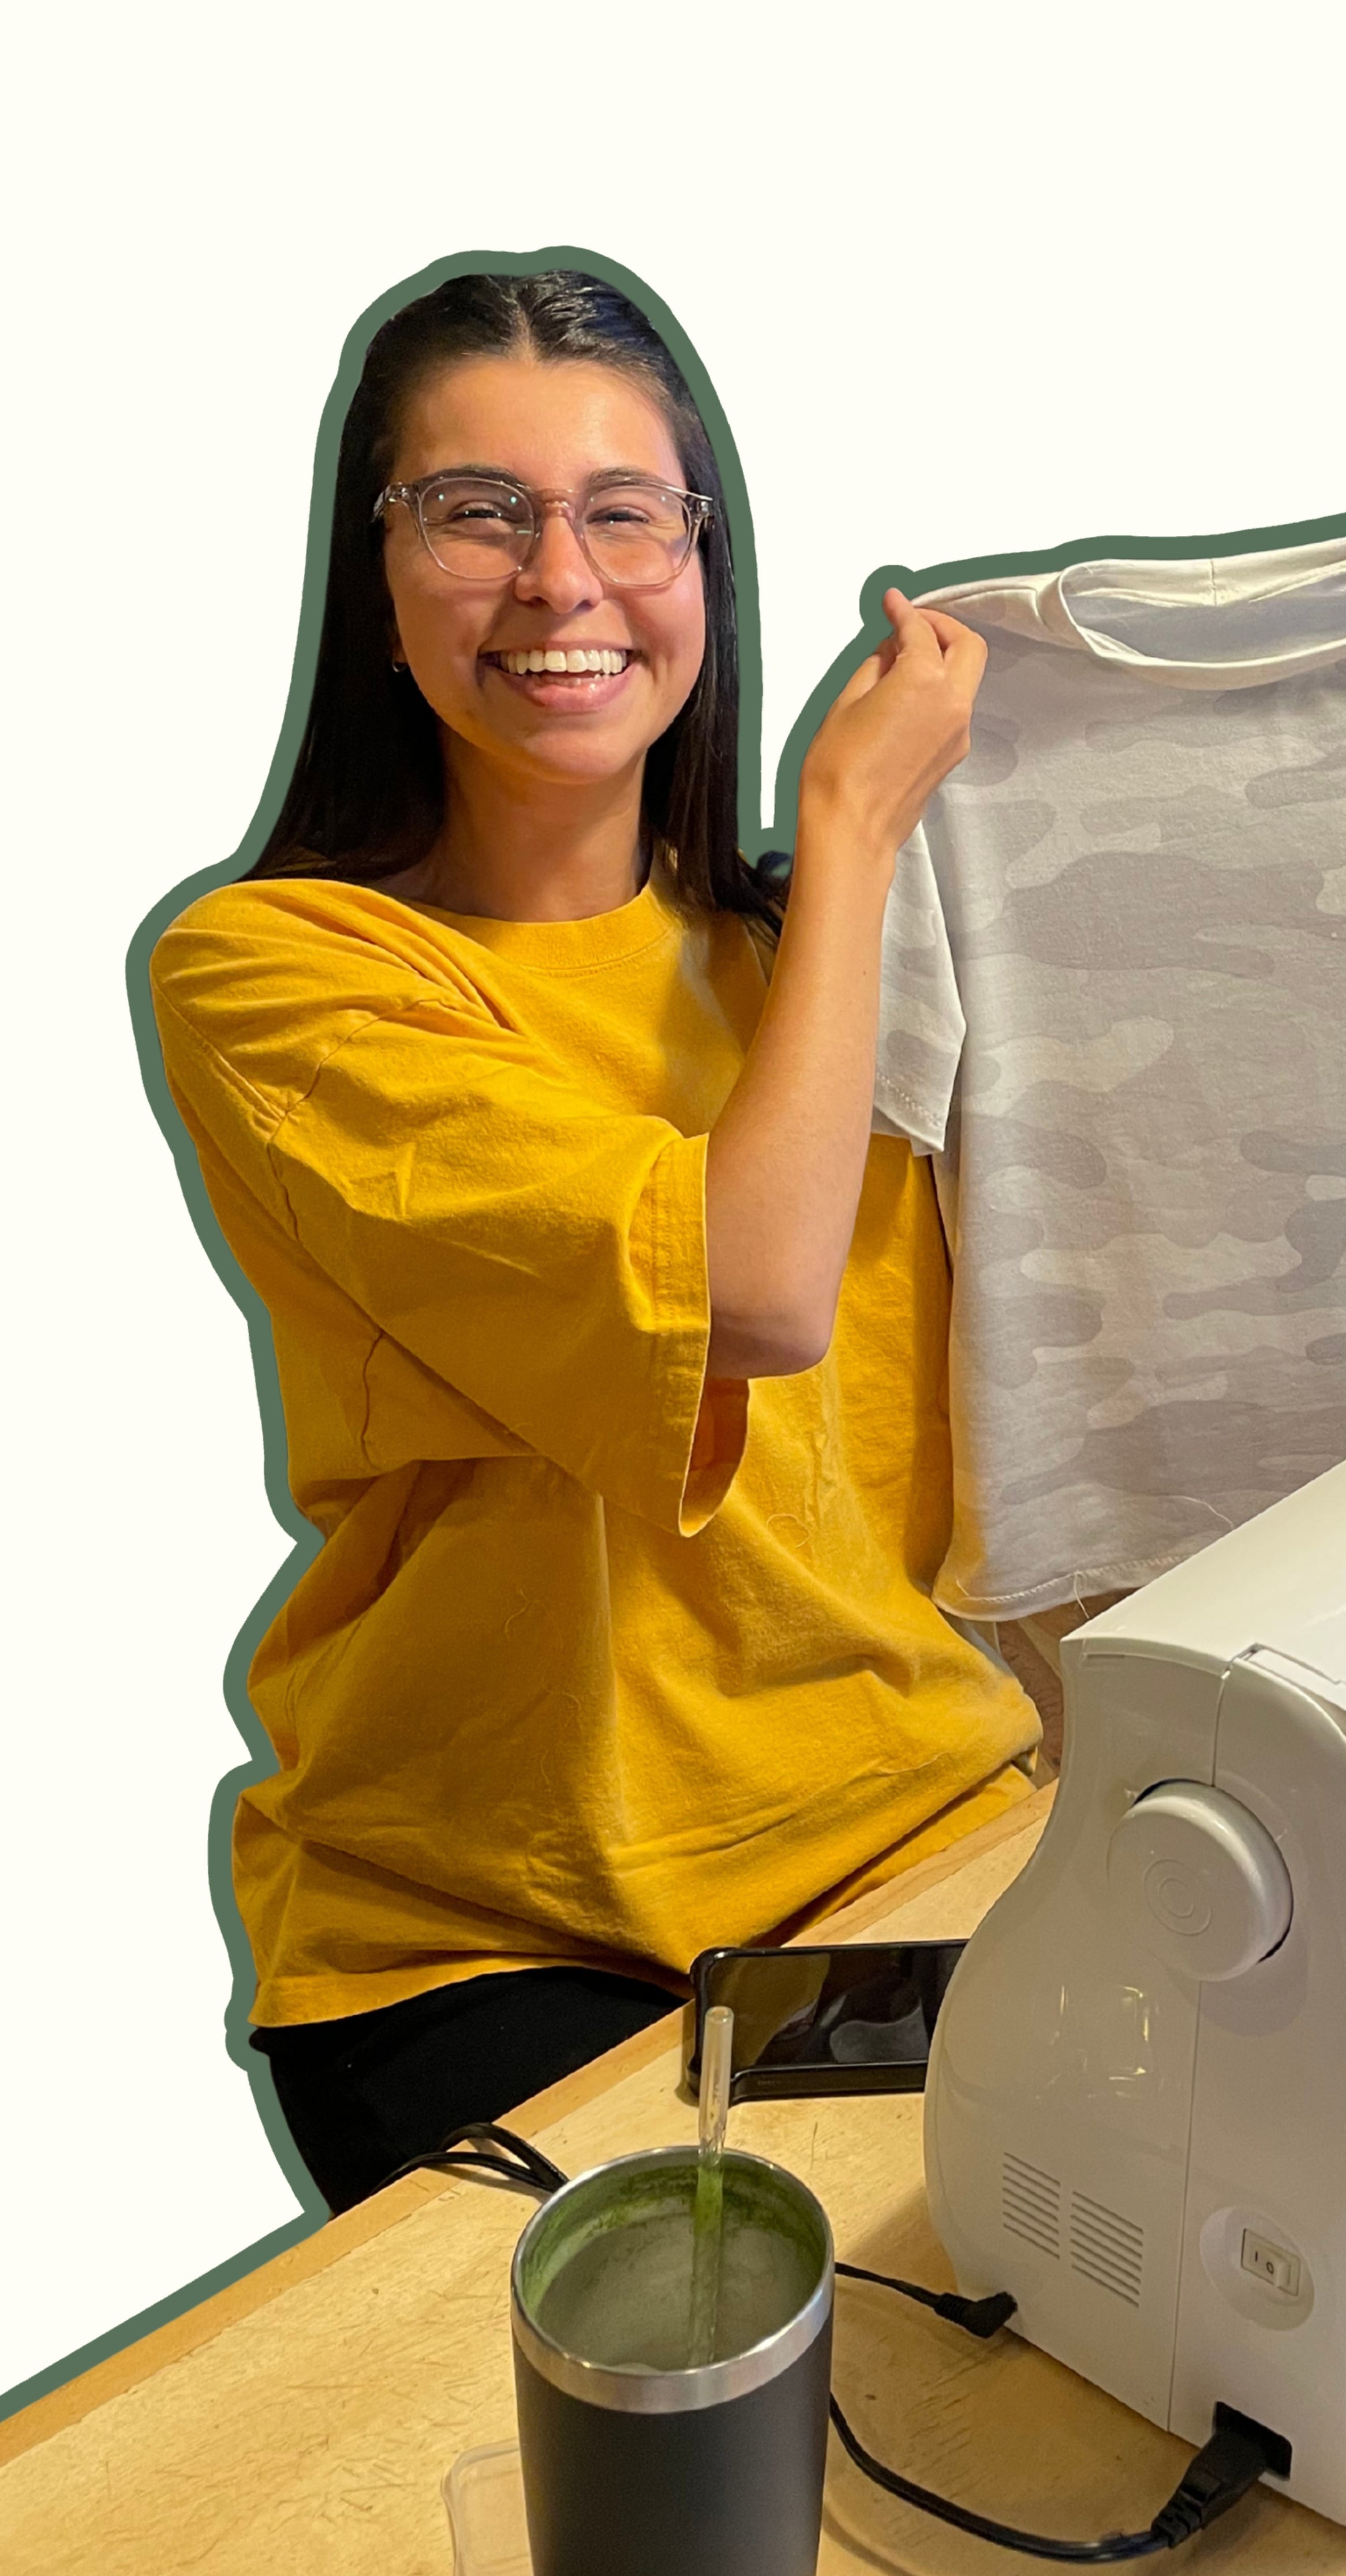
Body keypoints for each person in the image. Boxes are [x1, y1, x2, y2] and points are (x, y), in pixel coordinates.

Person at [149, 268, 1041, 2211]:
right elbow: (755, 1293)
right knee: (680, 2444)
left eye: (626, 511)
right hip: (492, 1932)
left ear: (702, 561)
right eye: (478, 510)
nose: (563, 580)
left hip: (913, 1826)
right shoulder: (280, 978)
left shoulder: (840, 957)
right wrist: (861, 835)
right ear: (373, 580)